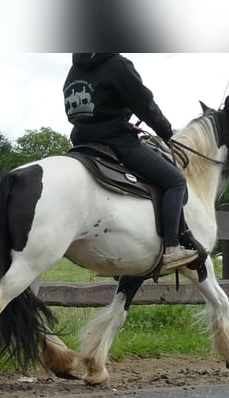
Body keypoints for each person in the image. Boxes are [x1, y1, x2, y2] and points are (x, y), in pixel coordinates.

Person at [63, 53, 198, 271]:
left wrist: (121, 122)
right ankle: (173, 248)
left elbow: (78, 111)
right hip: (117, 143)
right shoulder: (117, 64)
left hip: (82, 142)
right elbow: (145, 104)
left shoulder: (74, 70)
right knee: (175, 182)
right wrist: (165, 131)